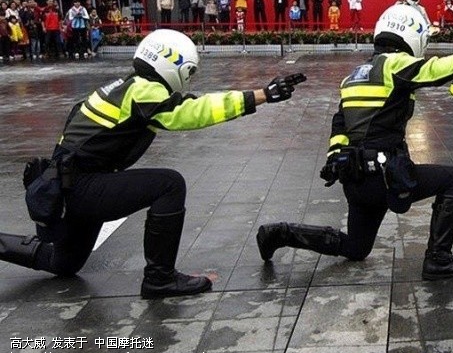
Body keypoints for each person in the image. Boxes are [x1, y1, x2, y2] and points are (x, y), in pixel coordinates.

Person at [0, 29, 307, 299]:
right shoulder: (144, 90)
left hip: (68, 187)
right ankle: (160, 278)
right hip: (81, 187)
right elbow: (191, 111)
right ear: (173, 63)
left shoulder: (122, 86)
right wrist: (260, 96)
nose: (188, 79)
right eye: (188, 72)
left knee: (63, 264)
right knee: (169, 185)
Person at [255, 2, 453, 280]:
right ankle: (439, 259)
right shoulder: (394, 64)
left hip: (356, 178)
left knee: (356, 247)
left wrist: (334, 157)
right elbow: (440, 69)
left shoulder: (353, 76)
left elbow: (340, 123)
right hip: (386, 177)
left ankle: (280, 233)